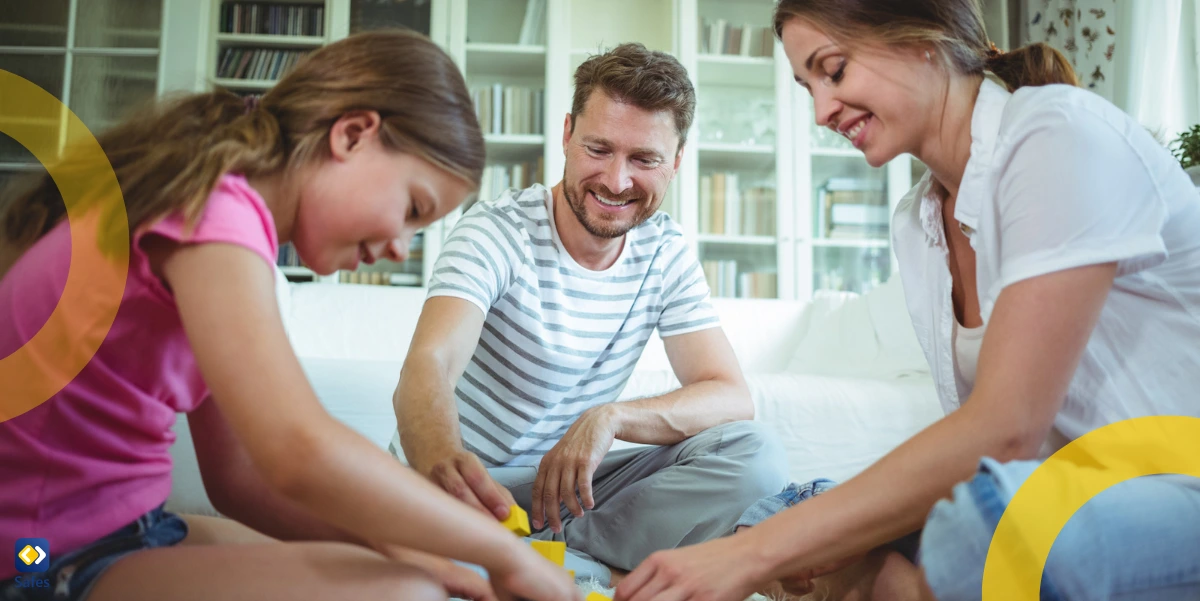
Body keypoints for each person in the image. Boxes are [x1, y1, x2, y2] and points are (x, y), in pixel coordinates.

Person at [613, 0, 1200, 600]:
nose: (821, 111)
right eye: (806, 85)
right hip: (1063, 488)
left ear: (923, 37)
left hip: (1177, 483)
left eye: (833, 70)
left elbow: (1004, 431)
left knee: (972, 530)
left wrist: (750, 556)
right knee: (785, 513)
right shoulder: (917, 222)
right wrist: (787, 540)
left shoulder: (1056, 133)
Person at [0, 29, 581, 601]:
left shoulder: (221, 218)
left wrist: (406, 547)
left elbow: (242, 481)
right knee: (406, 596)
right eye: (412, 208)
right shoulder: (215, 213)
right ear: (353, 135)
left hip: (131, 529)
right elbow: (297, 450)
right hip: (41, 558)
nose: (403, 247)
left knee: (401, 572)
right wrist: (498, 547)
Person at [392, 42, 789, 579]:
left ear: (675, 162)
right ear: (566, 135)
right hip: (475, 483)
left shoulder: (665, 252)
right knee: (419, 543)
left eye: (644, 159)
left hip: (574, 493)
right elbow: (427, 369)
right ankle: (554, 557)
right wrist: (448, 474)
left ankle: (555, 552)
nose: (616, 181)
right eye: (599, 149)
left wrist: (612, 418)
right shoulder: (498, 230)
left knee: (754, 453)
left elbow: (730, 394)